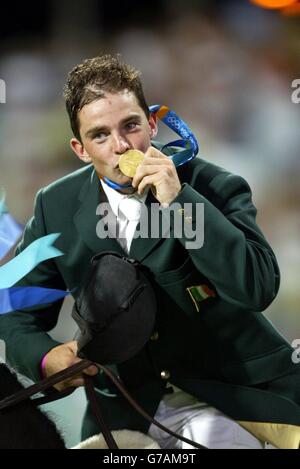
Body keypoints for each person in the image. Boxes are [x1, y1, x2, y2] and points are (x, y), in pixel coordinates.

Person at [0, 54, 300, 449]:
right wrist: (45, 358)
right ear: (81, 149)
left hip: (233, 398)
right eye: (101, 135)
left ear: (152, 125)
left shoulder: (213, 185)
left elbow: (256, 287)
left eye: (131, 126)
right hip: (126, 408)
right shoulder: (54, 205)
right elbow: (15, 308)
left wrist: (180, 201)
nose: (122, 145)